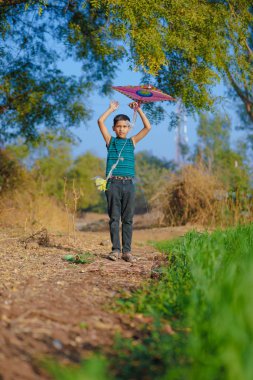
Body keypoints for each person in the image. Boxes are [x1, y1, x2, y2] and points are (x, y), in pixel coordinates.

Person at [97, 100, 151, 263]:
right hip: (112, 184)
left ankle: (127, 251)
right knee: (114, 218)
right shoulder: (110, 141)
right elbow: (100, 121)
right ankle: (115, 250)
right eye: (118, 126)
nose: (122, 129)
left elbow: (148, 127)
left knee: (128, 219)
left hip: (128, 185)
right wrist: (110, 109)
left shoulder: (131, 142)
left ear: (129, 128)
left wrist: (139, 110)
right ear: (114, 128)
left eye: (125, 126)